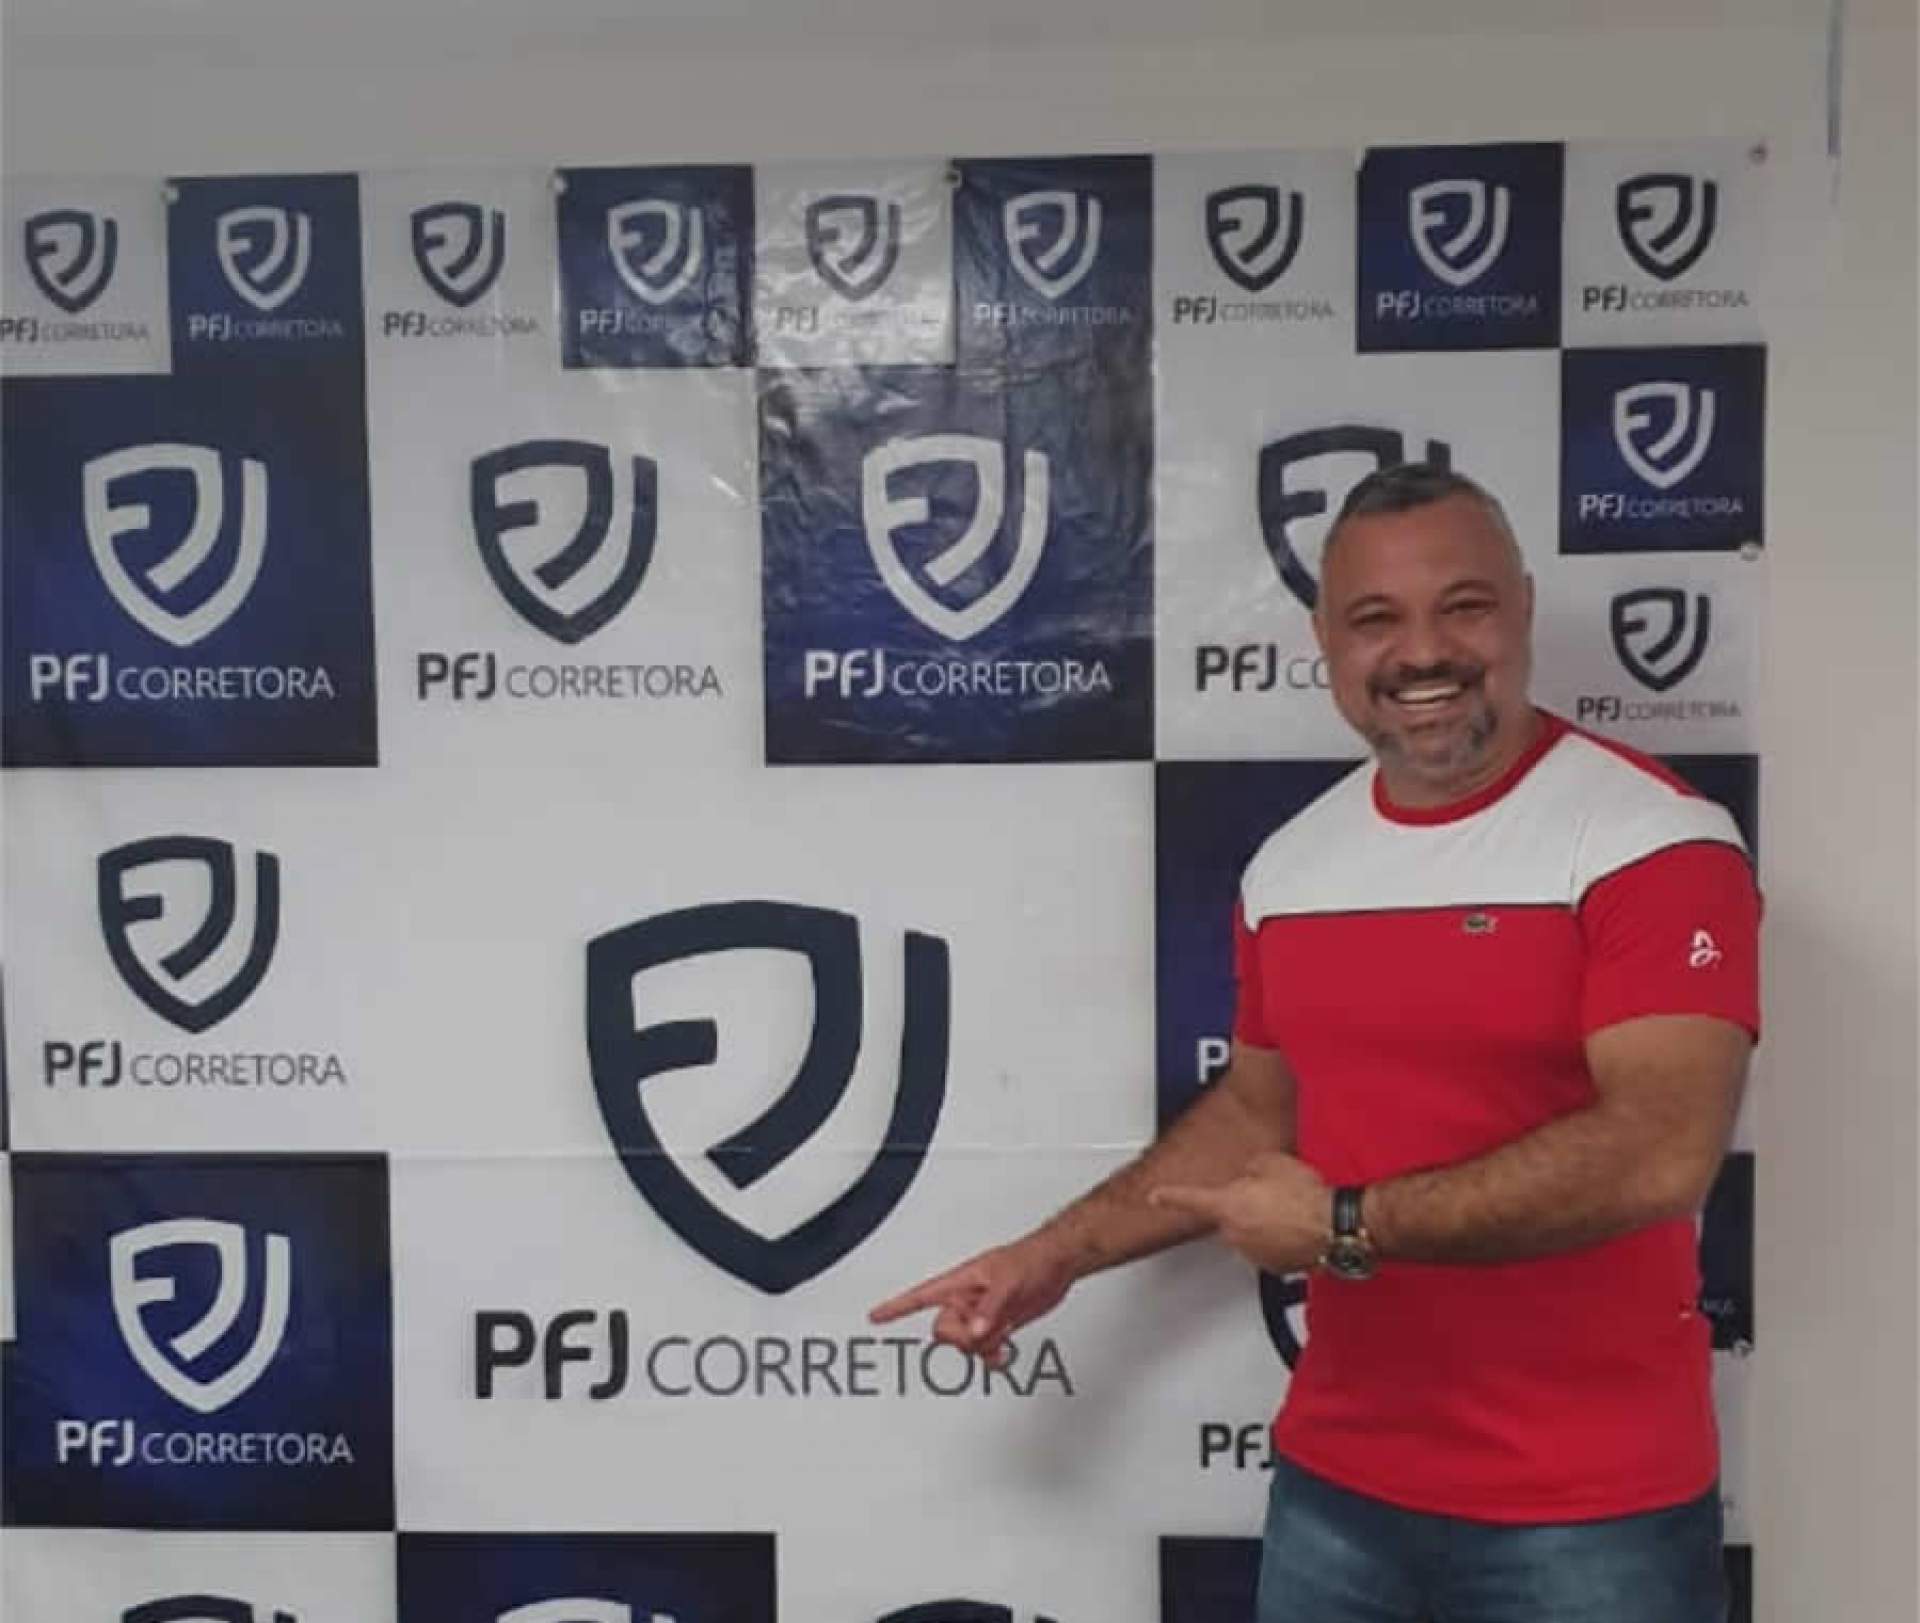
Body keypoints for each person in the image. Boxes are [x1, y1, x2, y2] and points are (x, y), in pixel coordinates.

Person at [870, 463, 1760, 1623]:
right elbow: (1258, 1112)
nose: (1423, 651)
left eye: (1464, 607)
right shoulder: (1295, 865)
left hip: (1588, 1514)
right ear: (1326, 643)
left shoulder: (1653, 841)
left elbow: (1660, 1149)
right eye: (1376, 619)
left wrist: (1345, 1225)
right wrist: (1054, 1256)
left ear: (1524, 609)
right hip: (1338, 1497)